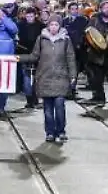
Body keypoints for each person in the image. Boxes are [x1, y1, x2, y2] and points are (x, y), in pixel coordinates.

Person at [18, 14, 76, 143]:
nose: (54, 27)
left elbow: (70, 58)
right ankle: (50, 132)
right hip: (45, 77)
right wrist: (19, 58)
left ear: (60, 26)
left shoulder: (66, 40)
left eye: (56, 25)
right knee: (48, 108)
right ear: (48, 25)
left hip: (61, 77)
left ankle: (61, 131)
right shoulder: (41, 39)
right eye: (51, 25)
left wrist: (73, 75)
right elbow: (34, 56)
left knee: (60, 106)